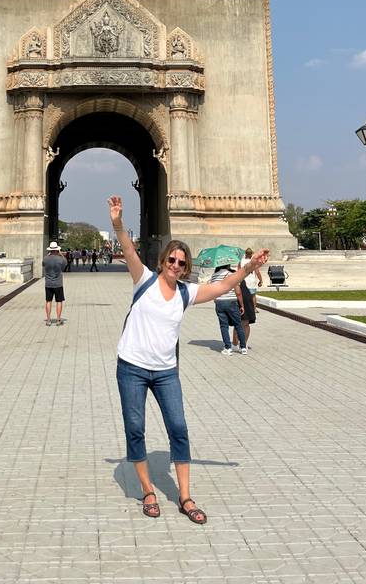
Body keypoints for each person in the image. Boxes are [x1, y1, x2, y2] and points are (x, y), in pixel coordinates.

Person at [109, 195, 268, 524]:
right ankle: (148, 491)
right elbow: (127, 251)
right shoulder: (144, 281)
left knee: (179, 429)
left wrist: (249, 267)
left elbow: (223, 284)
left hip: (166, 372)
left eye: (182, 263)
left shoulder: (186, 292)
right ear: (163, 260)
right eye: (172, 261)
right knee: (135, 429)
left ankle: (184, 496)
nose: (176, 266)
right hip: (132, 369)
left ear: (186, 267)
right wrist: (117, 224)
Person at [42, 241, 65, 326]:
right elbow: (63, 266)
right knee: (59, 301)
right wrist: (61, 254)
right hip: (58, 283)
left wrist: (48, 256)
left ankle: (48, 320)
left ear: (50, 250)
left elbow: (43, 265)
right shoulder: (61, 259)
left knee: (48, 301)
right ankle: (58, 320)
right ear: (57, 250)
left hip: (48, 283)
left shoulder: (45, 259)